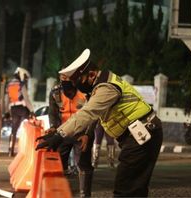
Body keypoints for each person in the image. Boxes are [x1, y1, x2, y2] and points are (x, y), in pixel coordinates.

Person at [36, 48, 163, 197]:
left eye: (79, 81)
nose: (77, 86)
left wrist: (59, 134)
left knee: (125, 190)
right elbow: (92, 116)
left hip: (142, 135)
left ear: (91, 74)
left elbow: (87, 113)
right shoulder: (100, 85)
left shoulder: (106, 88)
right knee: (134, 189)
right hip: (138, 135)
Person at [46, 73, 95, 197]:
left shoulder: (86, 91)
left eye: (68, 78)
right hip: (64, 132)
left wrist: (88, 135)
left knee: (83, 165)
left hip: (82, 133)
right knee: (59, 164)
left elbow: (94, 114)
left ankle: (85, 195)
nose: (65, 80)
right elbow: (53, 113)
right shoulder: (55, 93)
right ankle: (61, 193)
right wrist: (53, 128)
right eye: (62, 78)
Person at [5, 67, 34, 157]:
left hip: (13, 109)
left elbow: (6, 99)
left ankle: (11, 149)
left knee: (14, 129)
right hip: (22, 108)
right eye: (25, 77)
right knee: (29, 126)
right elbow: (26, 98)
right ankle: (28, 149)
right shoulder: (21, 85)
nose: (25, 79)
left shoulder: (9, 84)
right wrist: (32, 111)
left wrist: (7, 111)